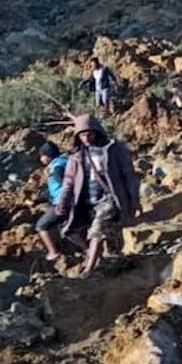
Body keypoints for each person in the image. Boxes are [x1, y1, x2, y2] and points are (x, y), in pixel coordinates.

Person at [54, 115, 140, 276]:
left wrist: (134, 200)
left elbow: (129, 175)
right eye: (82, 134)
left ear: (97, 132)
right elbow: (68, 181)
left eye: (89, 134)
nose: (86, 138)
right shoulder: (76, 156)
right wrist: (63, 200)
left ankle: (89, 268)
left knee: (98, 229)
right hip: (86, 201)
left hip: (109, 197)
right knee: (69, 230)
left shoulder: (113, 149)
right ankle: (104, 257)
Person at [35, 141, 86, 261]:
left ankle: (53, 252)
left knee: (41, 226)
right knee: (68, 230)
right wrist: (37, 200)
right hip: (73, 202)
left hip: (63, 203)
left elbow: (64, 185)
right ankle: (87, 250)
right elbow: (53, 190)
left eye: (42, 156)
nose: (41, 159)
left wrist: (63, 201)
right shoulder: (65, 163)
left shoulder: (57, 167)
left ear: (47, 156)